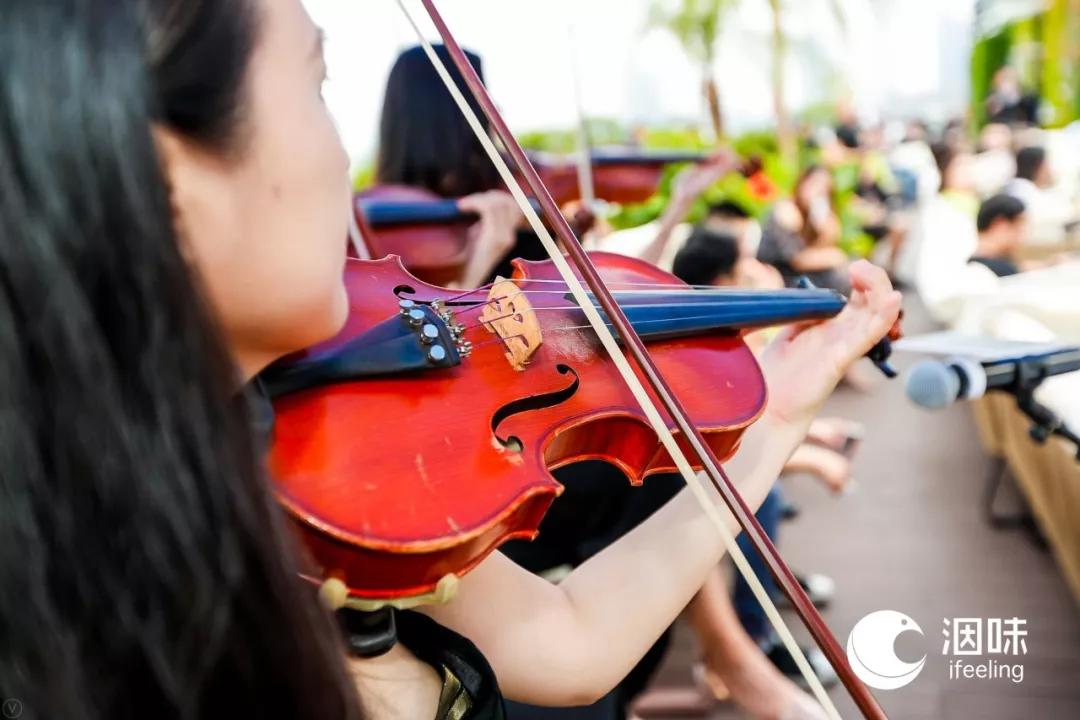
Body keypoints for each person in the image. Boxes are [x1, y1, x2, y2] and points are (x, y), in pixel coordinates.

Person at [0, 3, 903, 720]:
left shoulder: (300, 437)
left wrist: (776, 414)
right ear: (166, 183)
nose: (345, 163)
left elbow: (566, 639)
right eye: (318, 90)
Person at [756, 166, 850, 292]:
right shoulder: (787, 210)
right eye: (815, 184)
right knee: (836, 277)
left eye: (825, 190)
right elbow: (796, 259)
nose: (818, 192)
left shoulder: (813, 216)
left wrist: (825, 232)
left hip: (798, 274)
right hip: (775, 273)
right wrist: (833, 257)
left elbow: (816, 250)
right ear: (803, 183)